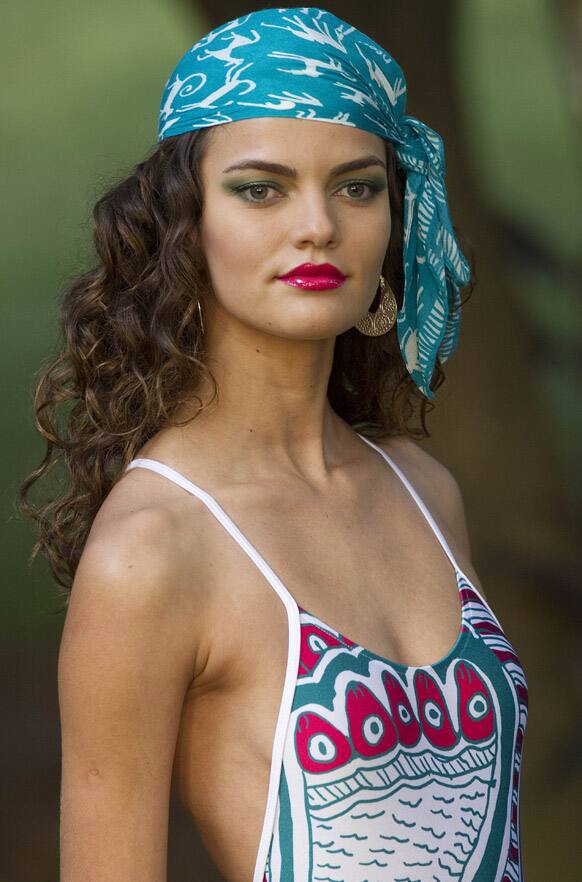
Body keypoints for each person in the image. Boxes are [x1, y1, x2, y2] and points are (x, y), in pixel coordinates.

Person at [18, 8, 528, 881]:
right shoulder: (154, 551)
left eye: (358, 187)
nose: (319, 226)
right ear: (183, 221)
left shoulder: (423, 489)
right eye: (261, 188)